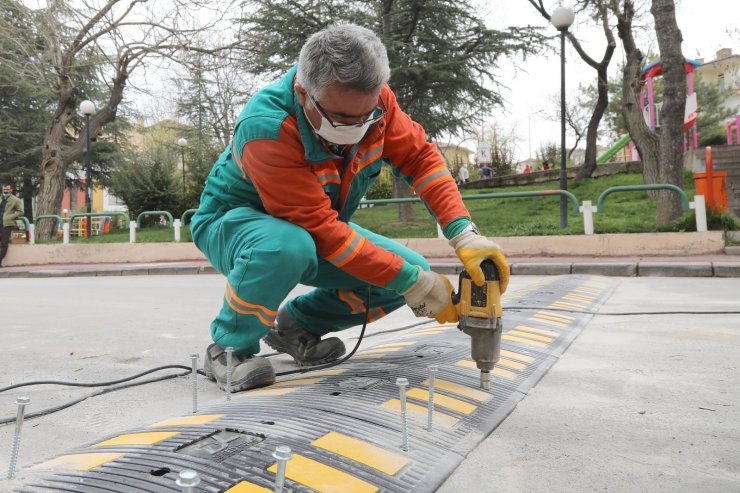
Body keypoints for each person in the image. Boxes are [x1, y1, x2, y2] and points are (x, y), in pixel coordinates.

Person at [191, 23, 510, 392]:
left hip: (315, 227)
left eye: (368, 115)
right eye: (343, 119)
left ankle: (298, 326)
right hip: (234, 223)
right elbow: (321, 232)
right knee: (286, 247)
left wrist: (463, 233)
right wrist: (415, 284)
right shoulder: (267, 126)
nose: (359, 127)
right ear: (304, 92)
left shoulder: (377, 102)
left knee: (407, 273)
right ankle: (230, 347)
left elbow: (421, 158)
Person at [0, 183, 24, 267]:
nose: (5, 191)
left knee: (4, 243)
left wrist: (11, 216)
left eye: (7, 189)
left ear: (11, 190)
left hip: (7, 224)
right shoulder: (0, 198)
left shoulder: (15, 200)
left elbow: (21, 211)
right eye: (4, 189)